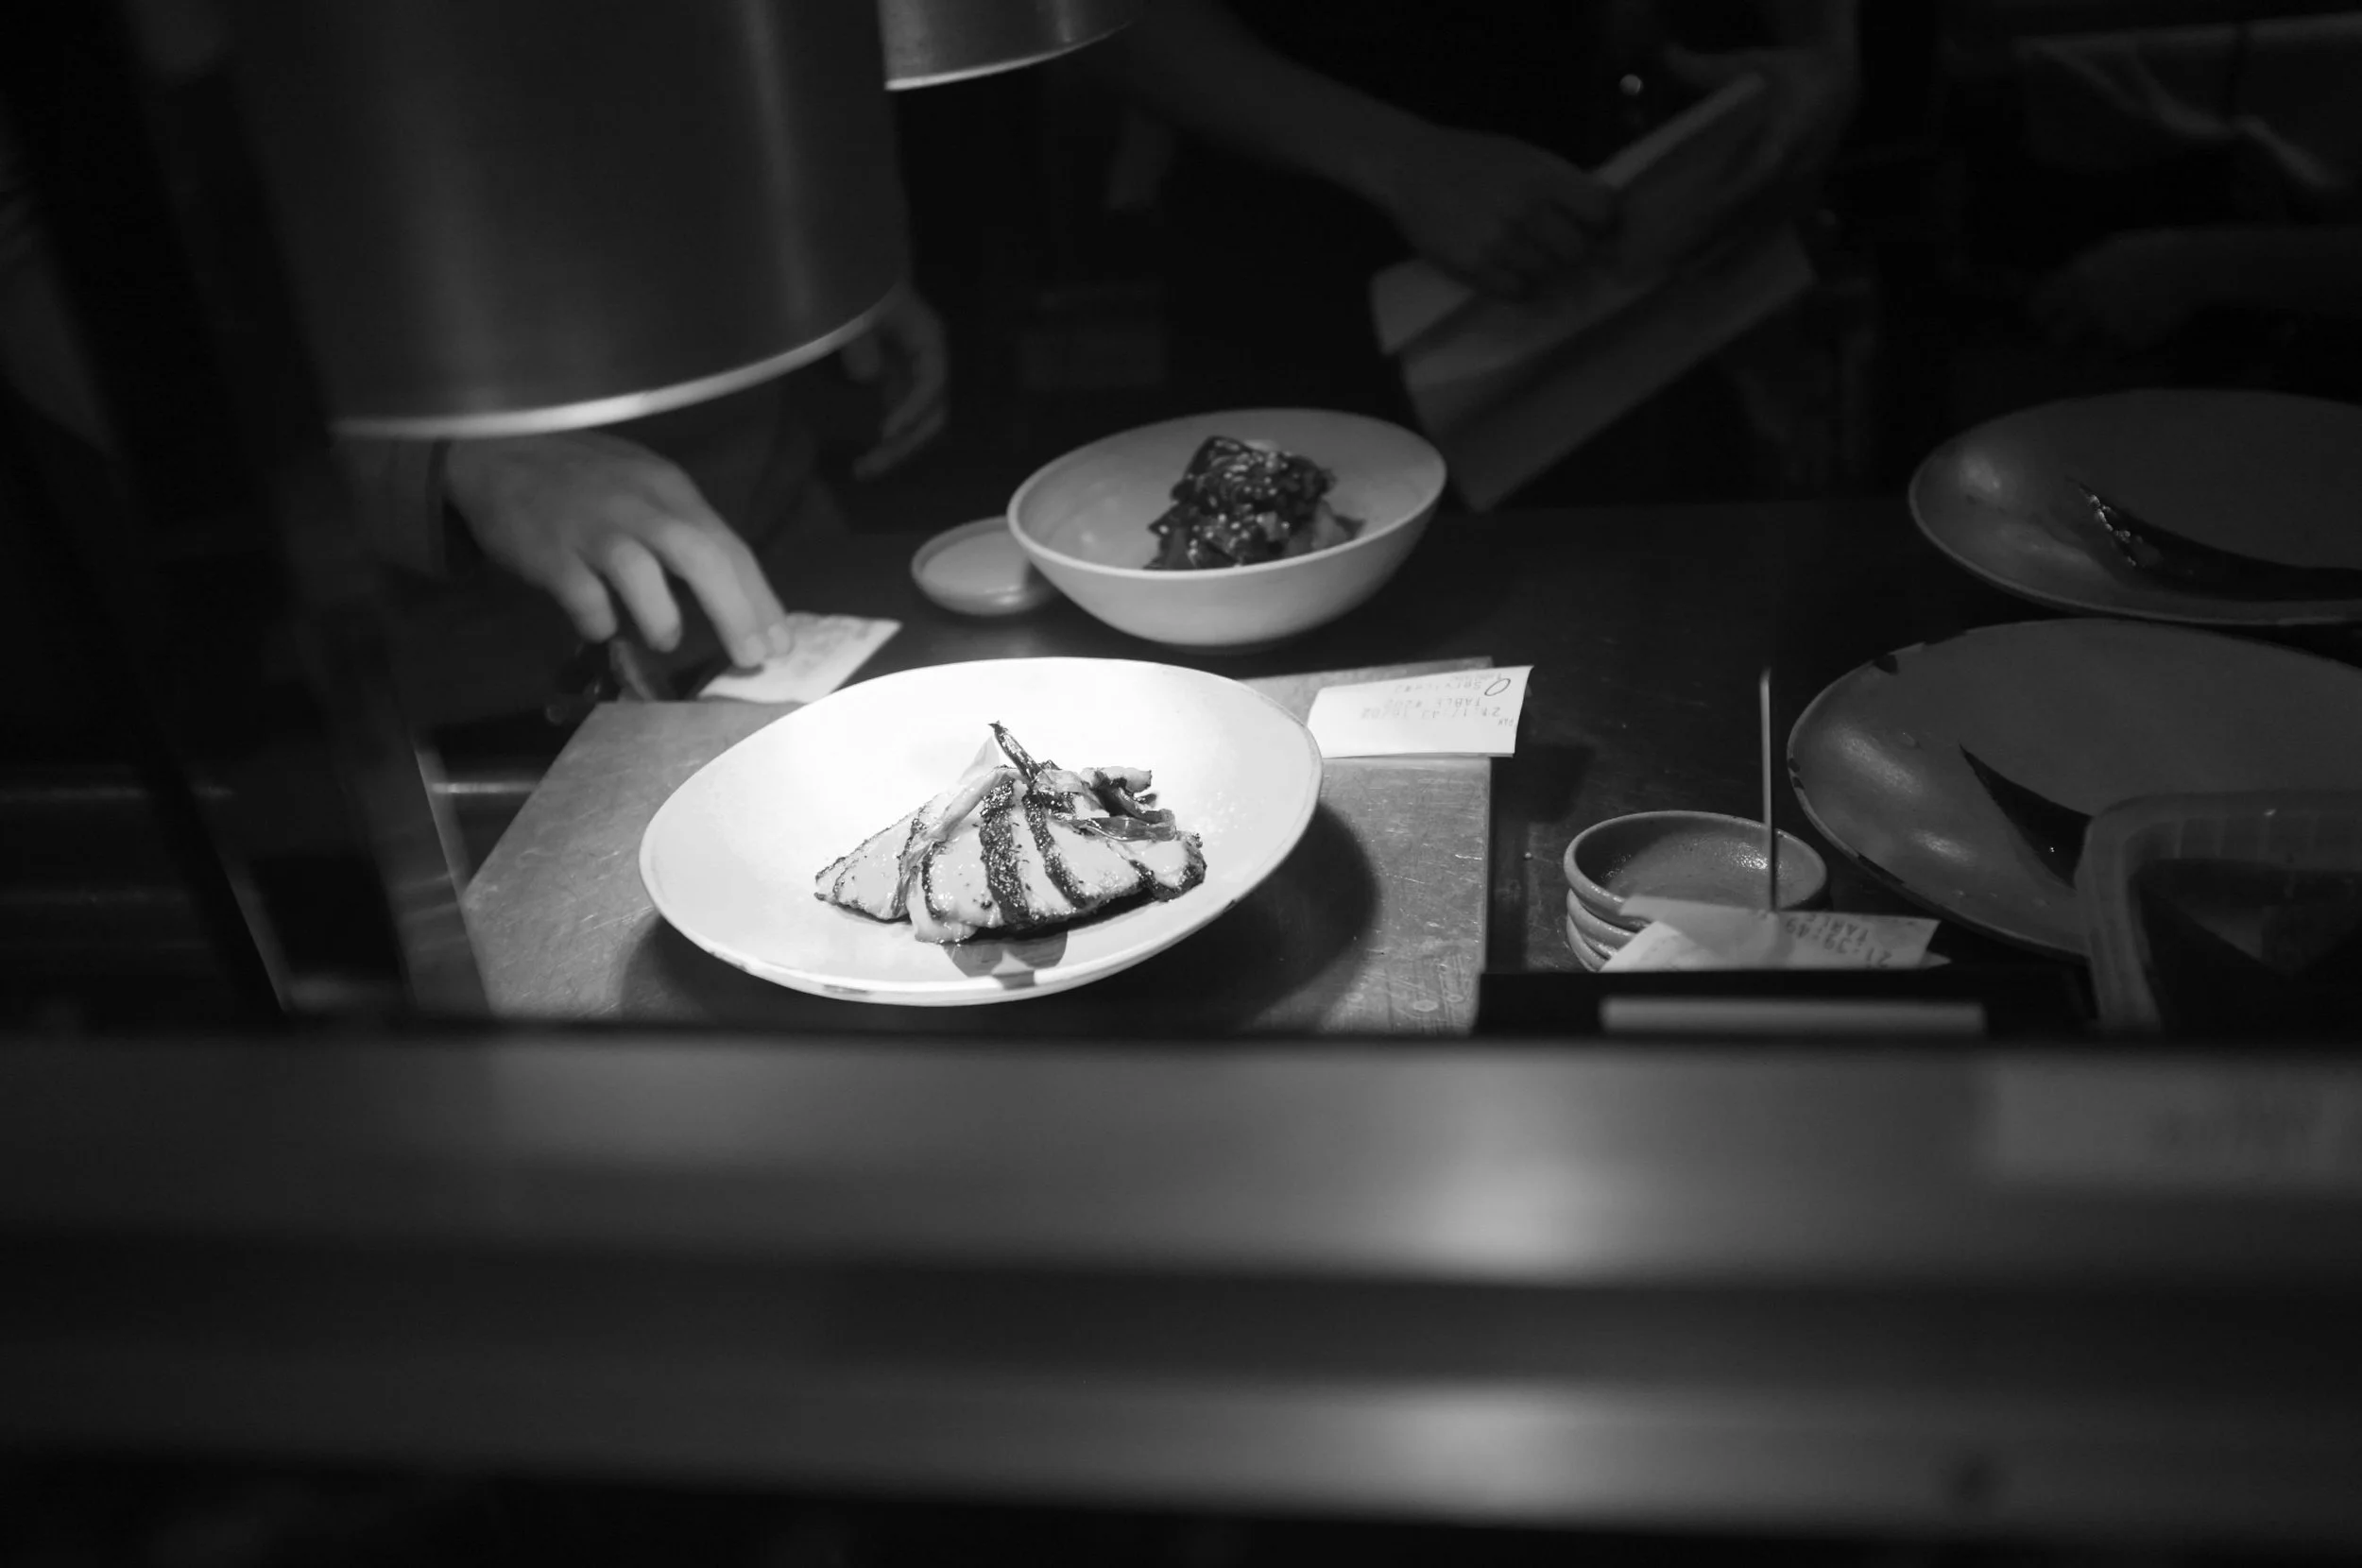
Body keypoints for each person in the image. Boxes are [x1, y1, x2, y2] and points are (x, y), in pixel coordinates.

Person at [1086, 0, 1861, 445]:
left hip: (1612, 241)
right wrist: (1399, 159)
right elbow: (1088, 21)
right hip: (1293, 255)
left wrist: (1822, 47)